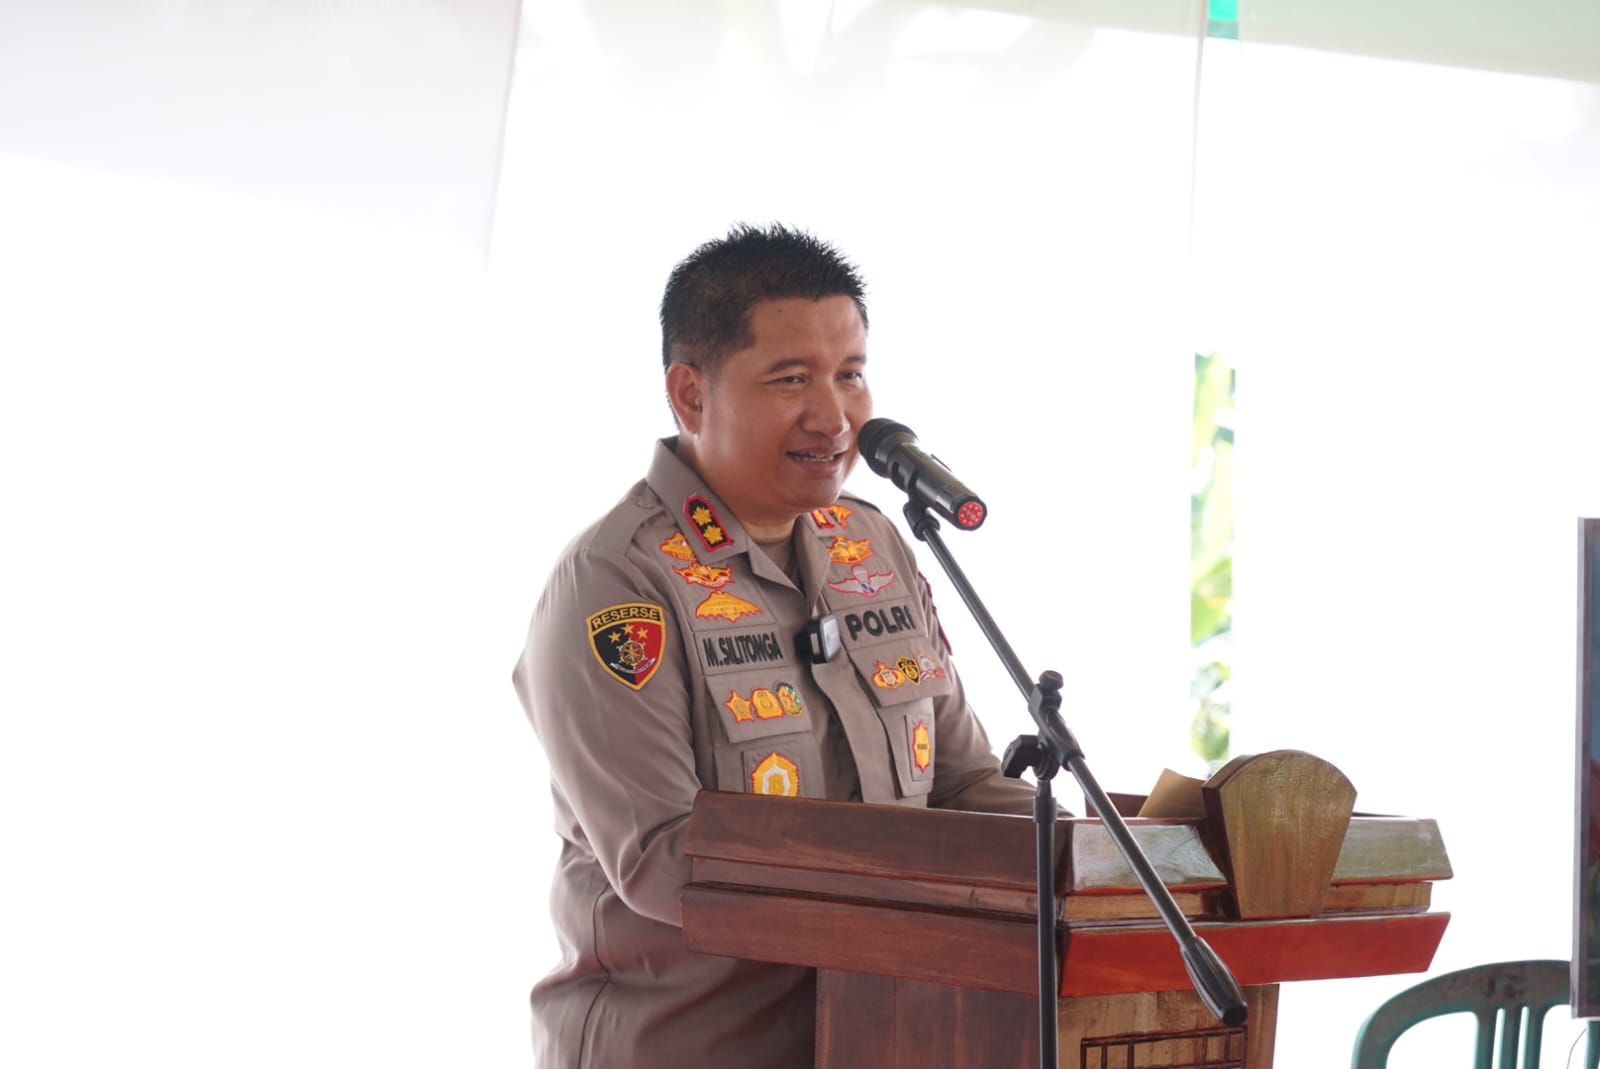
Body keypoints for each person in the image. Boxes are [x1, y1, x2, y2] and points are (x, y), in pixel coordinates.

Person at [512, 223, 1040, 1068]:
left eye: (851, 374)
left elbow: (961, 783)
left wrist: (1099, 864)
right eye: (792, 379)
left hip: (881, 1038)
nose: (835, 417)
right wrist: (907, 878)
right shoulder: (615, 581)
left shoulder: (873, 543)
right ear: (690, 393)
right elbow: (665, 859)